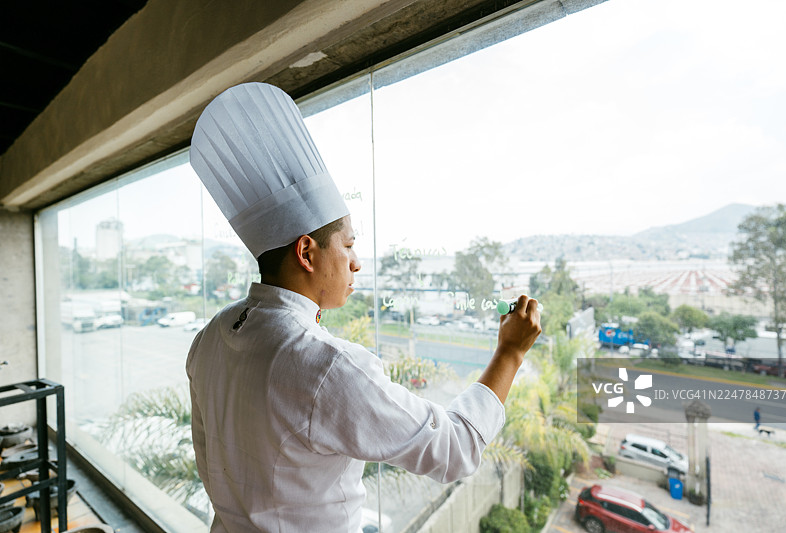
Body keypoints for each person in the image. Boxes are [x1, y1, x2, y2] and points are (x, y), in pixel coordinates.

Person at [186, 82, 542, 533]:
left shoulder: (210, 336)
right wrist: (510, 352)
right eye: (349, 244)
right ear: (306, 252)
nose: (356, 262)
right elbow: (454, 450)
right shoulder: (324, 367)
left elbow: (208, 457)